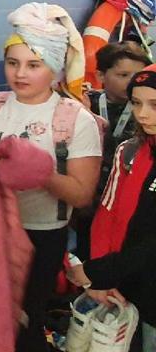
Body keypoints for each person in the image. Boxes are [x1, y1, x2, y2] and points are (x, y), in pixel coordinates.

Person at [0, 2, 102, 352]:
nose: (20, 73)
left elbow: (82, 195)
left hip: (42, 236)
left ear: (54, 66)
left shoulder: (74, 119)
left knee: (22, 321)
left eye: (34, 65)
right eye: (12, 63)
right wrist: (0, 165)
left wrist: (40, 173)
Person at [68, 64, 156, 352]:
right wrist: (102, 276)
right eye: (136, 103)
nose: (142, 114)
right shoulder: (131, 152)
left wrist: (100, 271)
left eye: (154, 105)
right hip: (130, 285)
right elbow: (108, 214)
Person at [77, 42, 150, 257]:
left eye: (137, 75)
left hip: (127, 196)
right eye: (123, 75)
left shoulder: (146, 110)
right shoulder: (83, 103)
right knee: (87, 249)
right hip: (90, 196)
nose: (131, 82)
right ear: (101, 75)